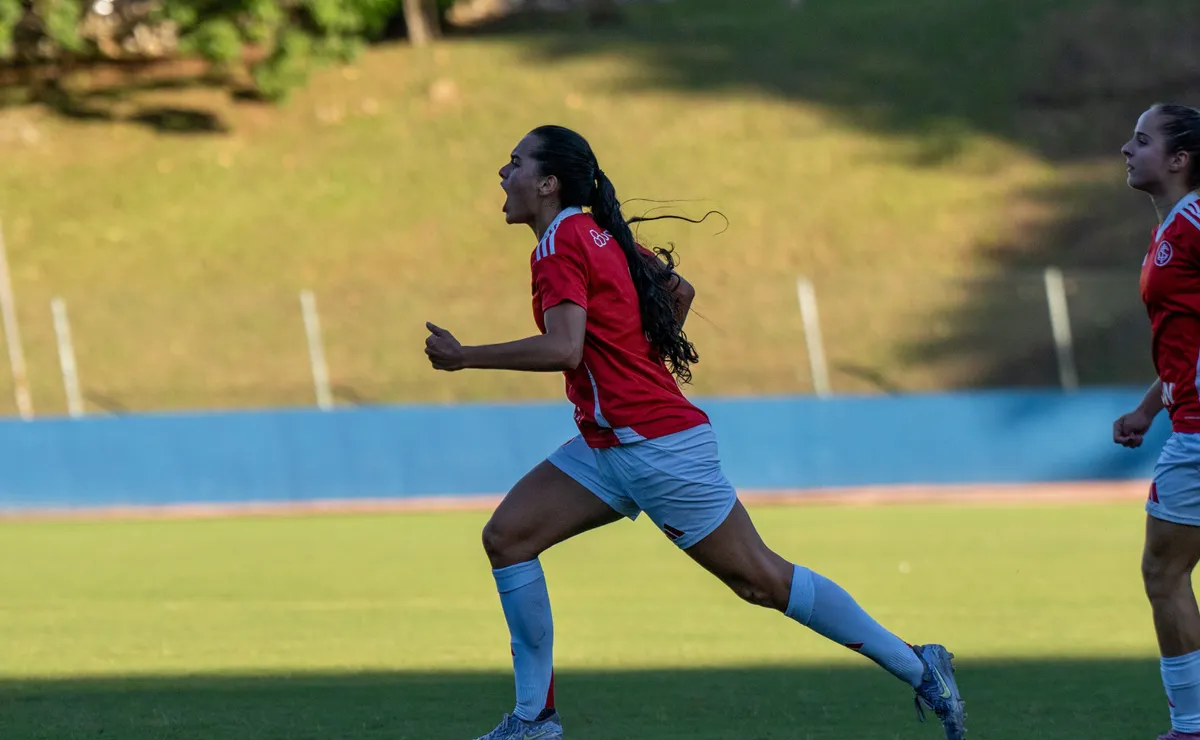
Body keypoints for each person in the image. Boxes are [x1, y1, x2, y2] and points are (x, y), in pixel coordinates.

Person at [424, 124, 966, 740]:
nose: (504, 172)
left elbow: (565, 348)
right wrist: (639, 357)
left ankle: (919, 664)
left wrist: (466, 357)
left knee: (762, 580)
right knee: (508, 536)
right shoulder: (594, 233)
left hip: (655, 448)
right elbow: (677, 290)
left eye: (516, 162)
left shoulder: (558, 242)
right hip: (611, 444)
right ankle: (534, 721)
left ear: (548, 183)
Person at [1115, 103, 1200, 740]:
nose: (1126, 149)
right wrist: (1149, 408)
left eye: (1142, 141)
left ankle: (1192, 725)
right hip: (1185, 419)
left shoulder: (1195, 224)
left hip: (1199, 435)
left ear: (1179, 160)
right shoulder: (1172, 227)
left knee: (1162, 572)